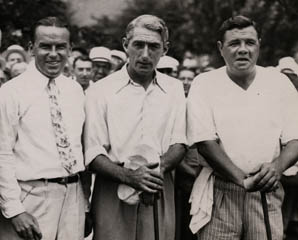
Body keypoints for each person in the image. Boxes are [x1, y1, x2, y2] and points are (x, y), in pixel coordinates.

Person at [187, 15, 298, 240]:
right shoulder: (204, 83)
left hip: (267, 190)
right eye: (234, 43)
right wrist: (241, 180)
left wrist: (276, 169)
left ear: (259, 44)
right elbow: (205, 143)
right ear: (221, 48)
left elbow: (295, 139)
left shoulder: (279, 82)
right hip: (221, 190)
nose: (243, 50)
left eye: (249, 42)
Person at [84, 14, 186, 240]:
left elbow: (179, 142)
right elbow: (93, 152)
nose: (145, 55)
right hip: (113, 187)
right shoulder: (100, 91)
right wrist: (128, 176)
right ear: (125, 45)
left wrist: (154, 173)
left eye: (154, 47)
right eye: (138, 45)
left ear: (165, 49)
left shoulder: (175, 89)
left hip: (158, 185)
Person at [0, 16, 86, 240]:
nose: (53, 54)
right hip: (31, 196)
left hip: (73, 197)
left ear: (70, 49)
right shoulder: (11, 92)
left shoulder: (75, 91)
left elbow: (80, 148)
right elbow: (2, 153)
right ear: (31, 48)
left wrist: (83, 205)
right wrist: (14, 210)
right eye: (45, 46)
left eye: (61, 47)